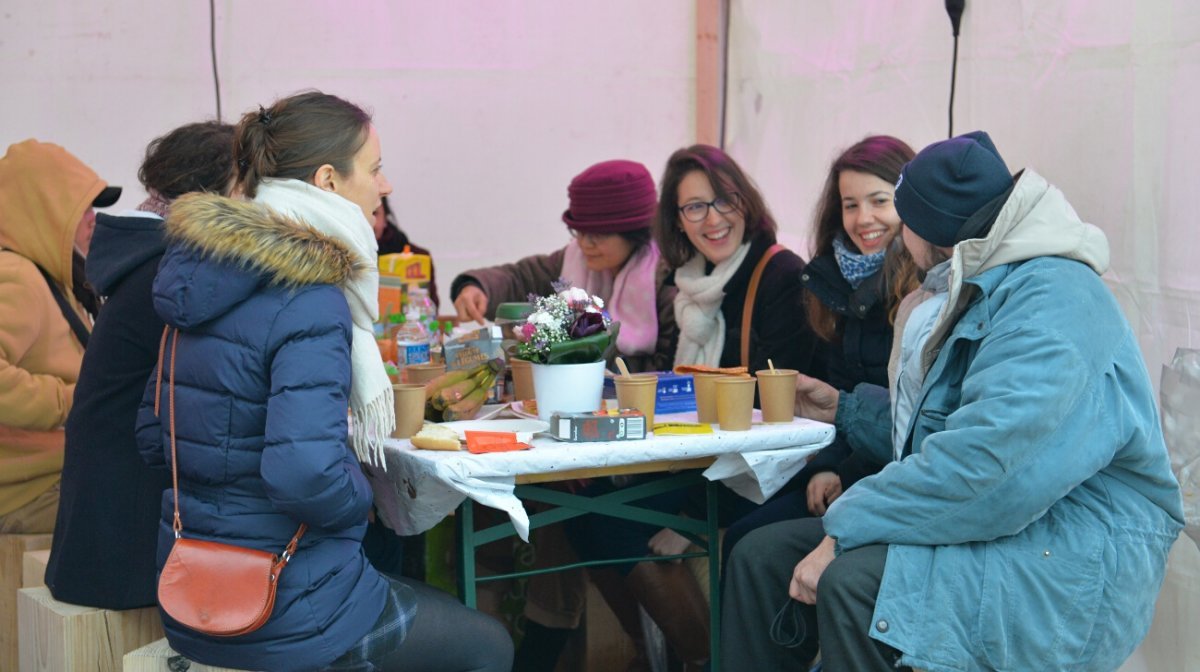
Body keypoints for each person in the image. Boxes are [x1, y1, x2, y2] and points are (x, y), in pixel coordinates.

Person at [721, 131, 1184, 671]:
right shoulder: (980, 281)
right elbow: (951, 433)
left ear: (926, 226)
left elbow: (987, 468)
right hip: (1002, 518)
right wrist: (844, 409)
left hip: (1072, 549)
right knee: (761, 558)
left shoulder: (1054, 302)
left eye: (894, 209)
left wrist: (846, 527)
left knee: (853, 584)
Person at [135, 91, 512, 672]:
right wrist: (366, 500)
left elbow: (149, 433)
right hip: (288, 606)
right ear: (329, 180)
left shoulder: (198, 276)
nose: (385, 186)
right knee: (489, 647)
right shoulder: (310, 299)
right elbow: (304, 473)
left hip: (194, 591)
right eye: (377, 168)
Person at [565, 145, 824, 670]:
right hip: (704, 454)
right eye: (693, 208)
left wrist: (691, 514)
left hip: (763, 469)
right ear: (677, 222)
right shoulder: (689, 282)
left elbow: (779, 421)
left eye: (722, 201)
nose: (712, 219)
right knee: (583, 505)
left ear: (745, 202)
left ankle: (704, 657)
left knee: (614, 521)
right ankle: (657, 651)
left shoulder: (778, 276)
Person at [44, 121, 235, 609]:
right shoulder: (171, 268)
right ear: (217, 191)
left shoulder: (155, 253)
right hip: (124, 535)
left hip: (111, 513)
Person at [720, 136, 919, 562]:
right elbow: (841, 387)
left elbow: (911, 417)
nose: (863, 218)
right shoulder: (834, 283)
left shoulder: (923, 288)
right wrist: (827, 465)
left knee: (750, 547)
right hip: (849, 469)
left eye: (879, 201)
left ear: (912, 203)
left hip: (898, 482)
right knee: (738, 530)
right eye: (850, 204)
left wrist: (840, 472)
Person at [451, 159, 678, 373]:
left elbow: (665, 368)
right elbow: (520, 278)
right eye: (579, 231)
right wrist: (477, 288)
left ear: (635, 233)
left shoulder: (668, 281)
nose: (585, 243)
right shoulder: (574, 260)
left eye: (598, 235)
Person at [0, 139, 120, 534]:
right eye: (80, 206)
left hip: (42, 480)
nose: (92, 219)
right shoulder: (17, 277)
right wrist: (76, 400)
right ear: (43, 208)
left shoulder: (50, 276)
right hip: (28, 493)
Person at [373, 195, 440, 311]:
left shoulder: (418, 258)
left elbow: (431, 313)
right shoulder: (338, 259)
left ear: (385, 218)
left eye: (374, 213)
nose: (367, 221)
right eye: (360, 213)